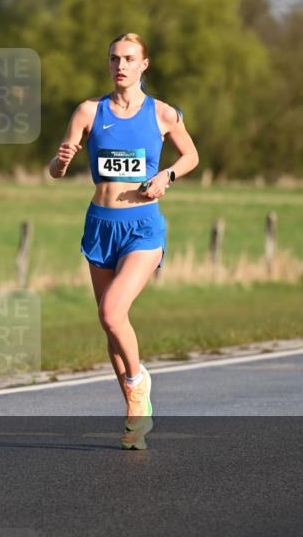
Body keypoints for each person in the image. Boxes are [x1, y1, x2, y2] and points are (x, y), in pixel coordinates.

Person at [49, 33, 198, 449]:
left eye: (129, 59)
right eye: (115, 58)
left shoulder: (163, 114)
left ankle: (138, 385)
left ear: (144, 65)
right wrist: (60, 163)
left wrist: (167, 176)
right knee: (108, 324)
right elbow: (55, 169)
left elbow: (191, 156)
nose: (121, 65)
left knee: (114, 312)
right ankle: (136, 418)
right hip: (100, 224)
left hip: (142, 227)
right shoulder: (89, 111)